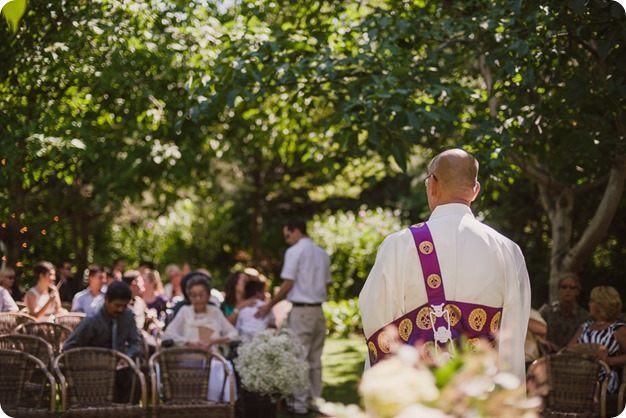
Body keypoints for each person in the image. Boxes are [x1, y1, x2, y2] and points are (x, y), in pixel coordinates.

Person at [359, 149, 531, 384]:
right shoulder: (507, 250)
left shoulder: (399, 245)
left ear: (432, 185)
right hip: (481, 394)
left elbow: (377, 324)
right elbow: (513, 335)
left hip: (419, 394)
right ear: (475, 190)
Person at [256, 217, 331, 415]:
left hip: (301, 310)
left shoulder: (294, 251)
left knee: (300, 356)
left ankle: (299, 404)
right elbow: (325, 284)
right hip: (318, 311)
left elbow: (288, 283)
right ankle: (316, 399)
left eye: (287, 235)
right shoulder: (322, 253)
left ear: (295, 231)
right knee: (315, 358)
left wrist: (270, 304)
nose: (287, 239)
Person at [161, 273, 238, 402]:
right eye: (193, 295)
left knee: (220, 368)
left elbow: (234, 334)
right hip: (188, 360)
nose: (197, 298)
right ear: (189, 296)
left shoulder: (215, 312)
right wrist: (190, 343)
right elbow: (168, 335)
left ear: (208, 295)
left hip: (213, 359)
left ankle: (217, 405)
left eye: (201, 294)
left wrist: (215, 341)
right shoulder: (185, 311)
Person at [63, 281, 141, 403]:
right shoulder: (92, 320)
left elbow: (135, 342)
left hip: (118, 367)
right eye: (117, 305)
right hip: (93, 370)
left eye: (124, 306)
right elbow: (68, 347)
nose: (120, 309)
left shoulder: (128, 315)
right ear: (107, 299)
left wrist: (127, 357)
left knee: (135, 382)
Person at [568, 286, 626, 394]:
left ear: (601, 305)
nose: (589, 304)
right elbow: (569, 349)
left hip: (605, 376)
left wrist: (610, 360)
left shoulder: (617, 328)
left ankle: (592, 406)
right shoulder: (585, 326)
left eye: (592, 301)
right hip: (580, 371)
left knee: (592, 382)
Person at [539, 273, 589, 352]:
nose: (568, 290)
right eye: (564, 287)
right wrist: (544, 341)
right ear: (559, 290)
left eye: (572, 287)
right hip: (547, 357)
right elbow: (534, 333)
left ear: (577, 291)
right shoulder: (546, 311)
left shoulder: (584, 317)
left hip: (574, 358)